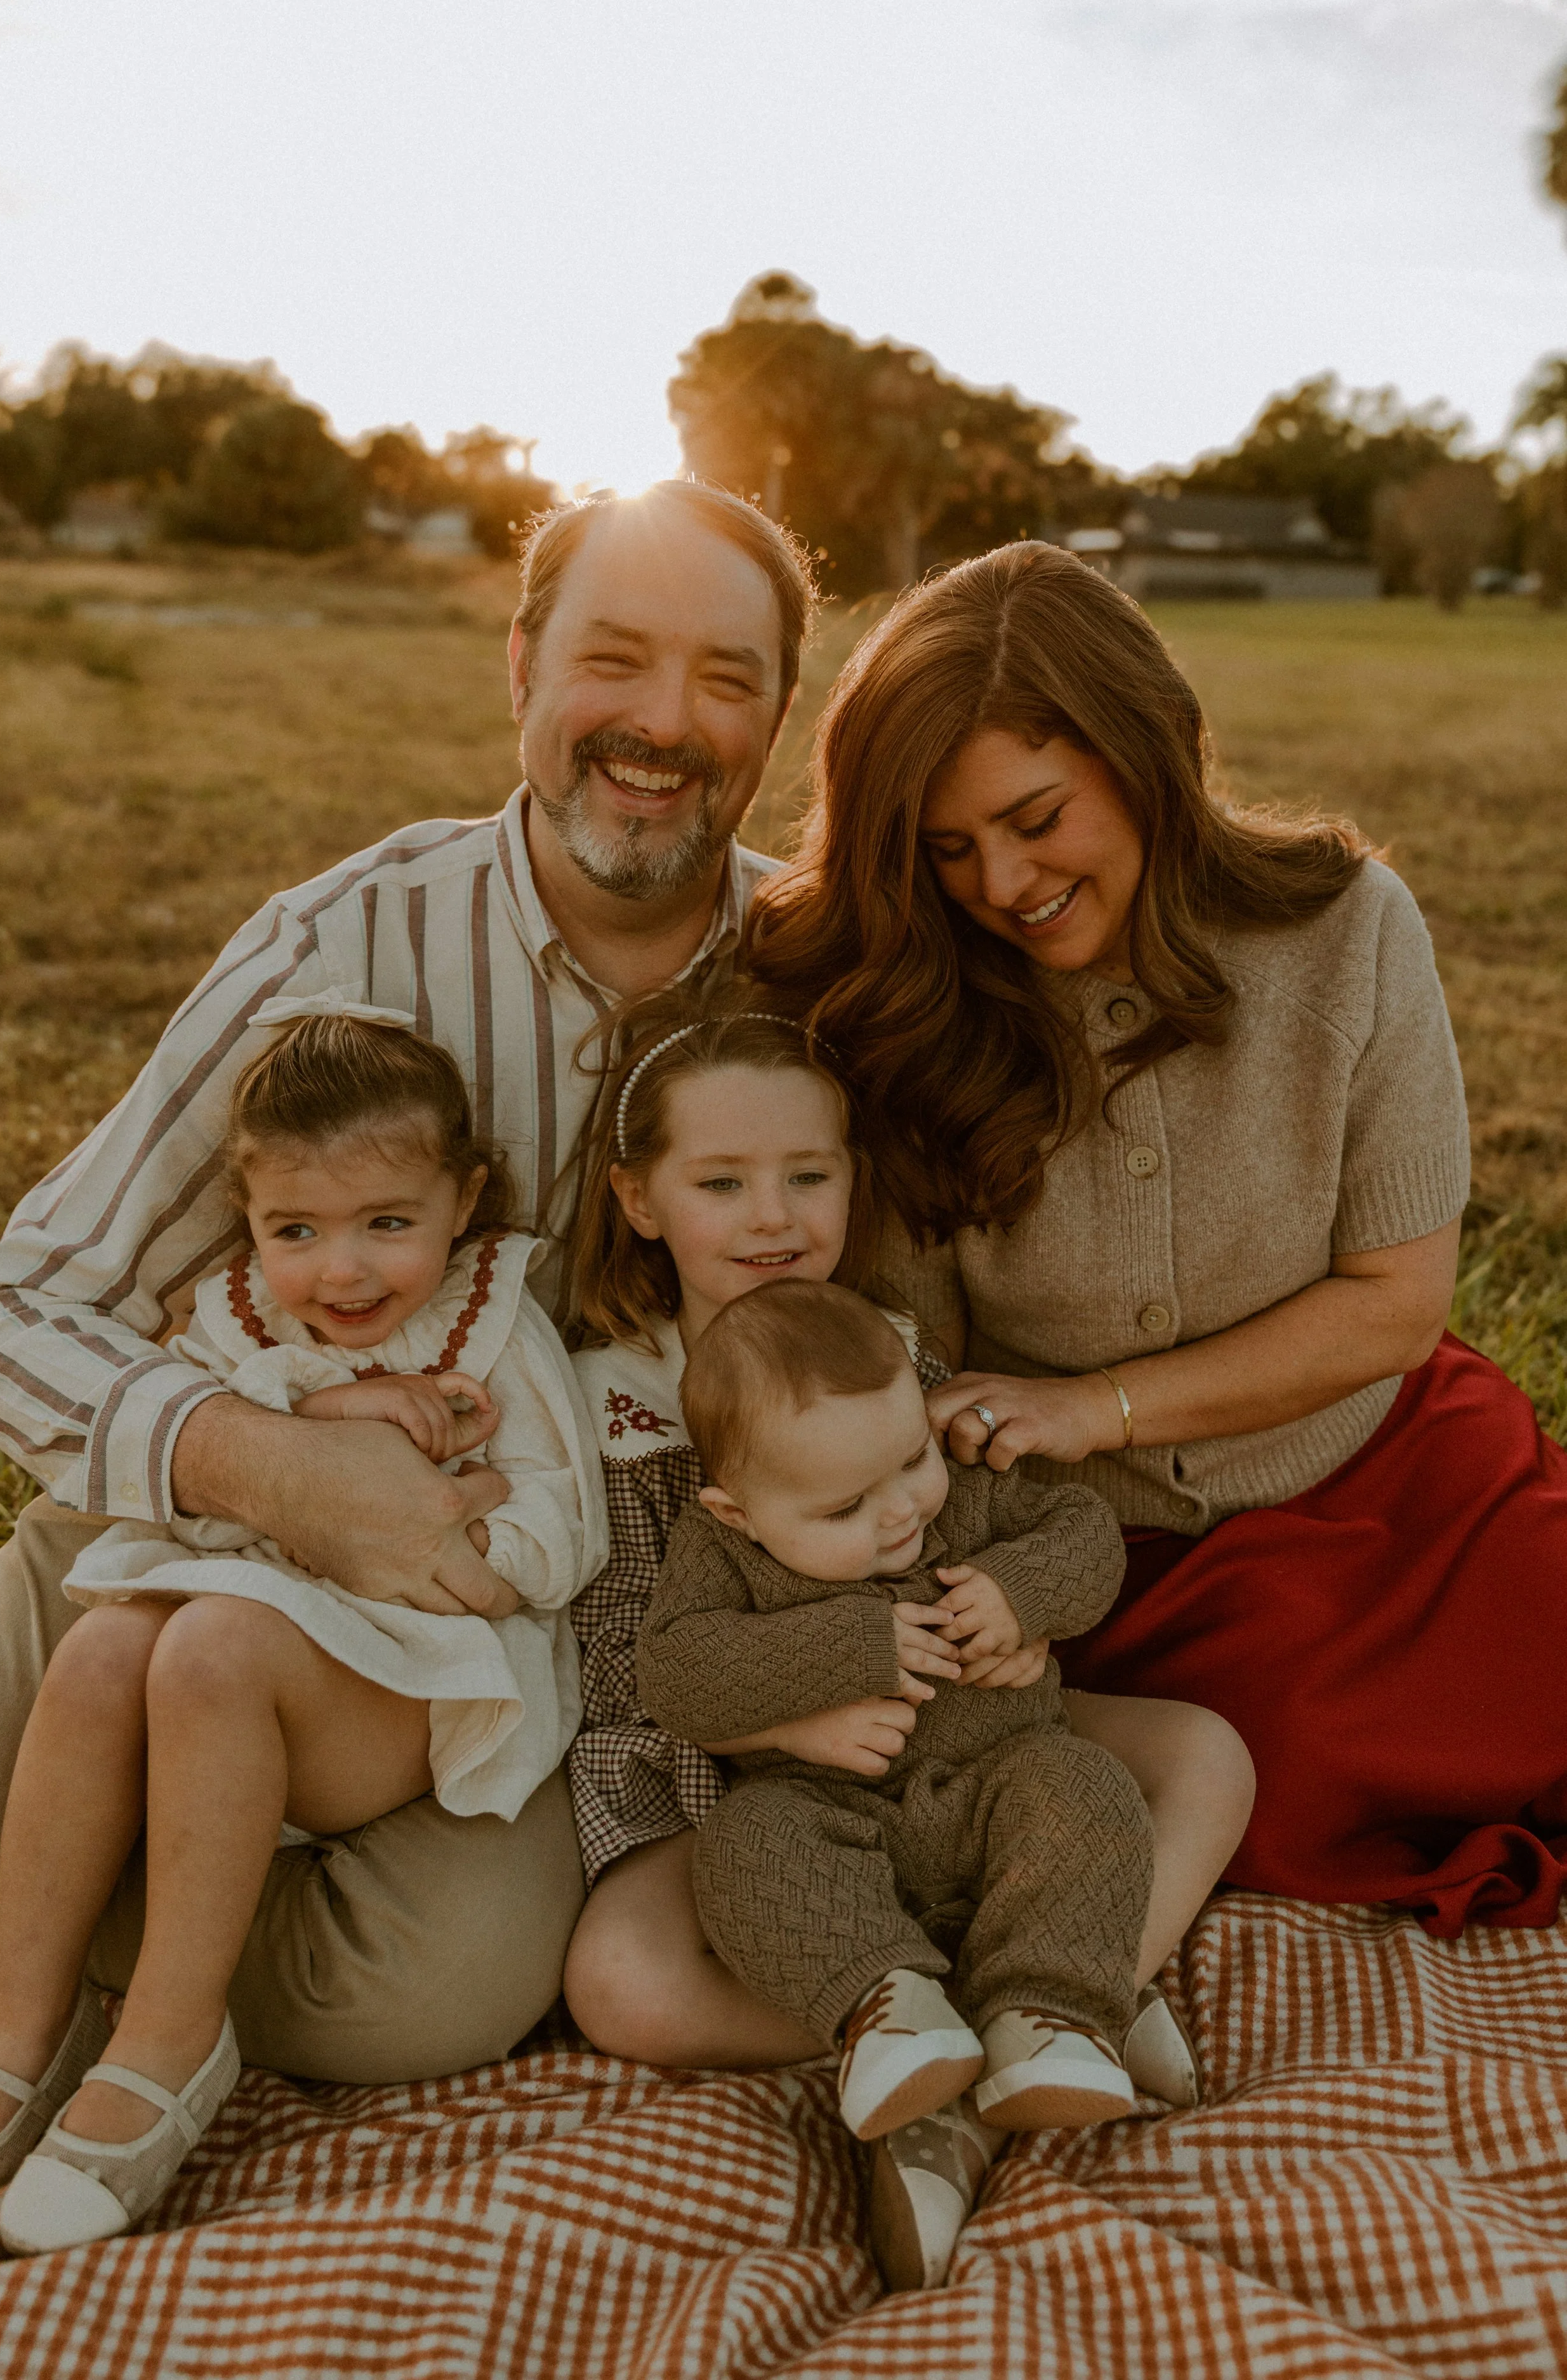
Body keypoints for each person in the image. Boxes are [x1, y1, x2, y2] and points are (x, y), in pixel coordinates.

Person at [0, 479, 816, 2082]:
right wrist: (276, 1465)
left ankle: (131, 1898)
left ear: (783, 713)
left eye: (725, 678)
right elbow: (21, 1302)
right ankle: (114, 1866)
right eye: (614, 659)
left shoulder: (824, 977)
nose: (663, 722)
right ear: (518, 667)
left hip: (494, 1614)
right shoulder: (343, 943)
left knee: (406, 2007)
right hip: (186, 1531)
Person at [746, 536, 1567, 1938]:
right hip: (1109, 1554)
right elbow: (907, 1355)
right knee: (1297, 1763)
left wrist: (1096, 1403)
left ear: (1152, 754)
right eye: (948, 849)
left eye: (1036, 816)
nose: (1000, 882)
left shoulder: (1349, 932)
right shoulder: (908, 1007)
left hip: (1385, 1465)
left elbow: (1389, 1303)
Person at [558, 991, 1253, 2288]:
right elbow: (644, 1662)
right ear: (641, 1200)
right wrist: (786, 1713)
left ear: (847, 1181)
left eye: (806, 1176)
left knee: (1200, 1757)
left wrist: (1011, 1603)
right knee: (621, 1981)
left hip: (977, 1734)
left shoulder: (891, 1349)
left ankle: (1028, 2018)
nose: (772, 1218)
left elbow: (1029, 1525)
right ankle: (937, 2035)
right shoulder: (614, 1406)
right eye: (722, 1181)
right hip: (743, 1778)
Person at [0, 1006, 605, 2254]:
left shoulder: (490, 1325)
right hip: (231, 1651)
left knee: (211, 1645)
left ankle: (170, 2036)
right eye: (296, 1232)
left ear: (461, 1195)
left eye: (388, 1223)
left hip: (411, 1682)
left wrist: (458, 1538)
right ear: (250, 1217)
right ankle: (18, 2043)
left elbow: (563, 1530)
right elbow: (203, 1434)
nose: (344, 1274)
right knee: (105, 1645)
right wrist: (326, 1419)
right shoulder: (243, 1320)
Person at [638, 1278, 1153, 2155]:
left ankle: (1048, 2013)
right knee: (745, 1845)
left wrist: (1022, 1595)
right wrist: (847, 1648)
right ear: (740, 1513)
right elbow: (674, 1674)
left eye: (912, 1457)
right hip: (833, 1816)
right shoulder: (718, 1550)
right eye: (844, 1509)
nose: (904, 1508)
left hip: (1000, 1784)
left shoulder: (963, 1490)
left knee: (1086, 1786)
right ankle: (889, 2010)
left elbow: (1086, 1532)